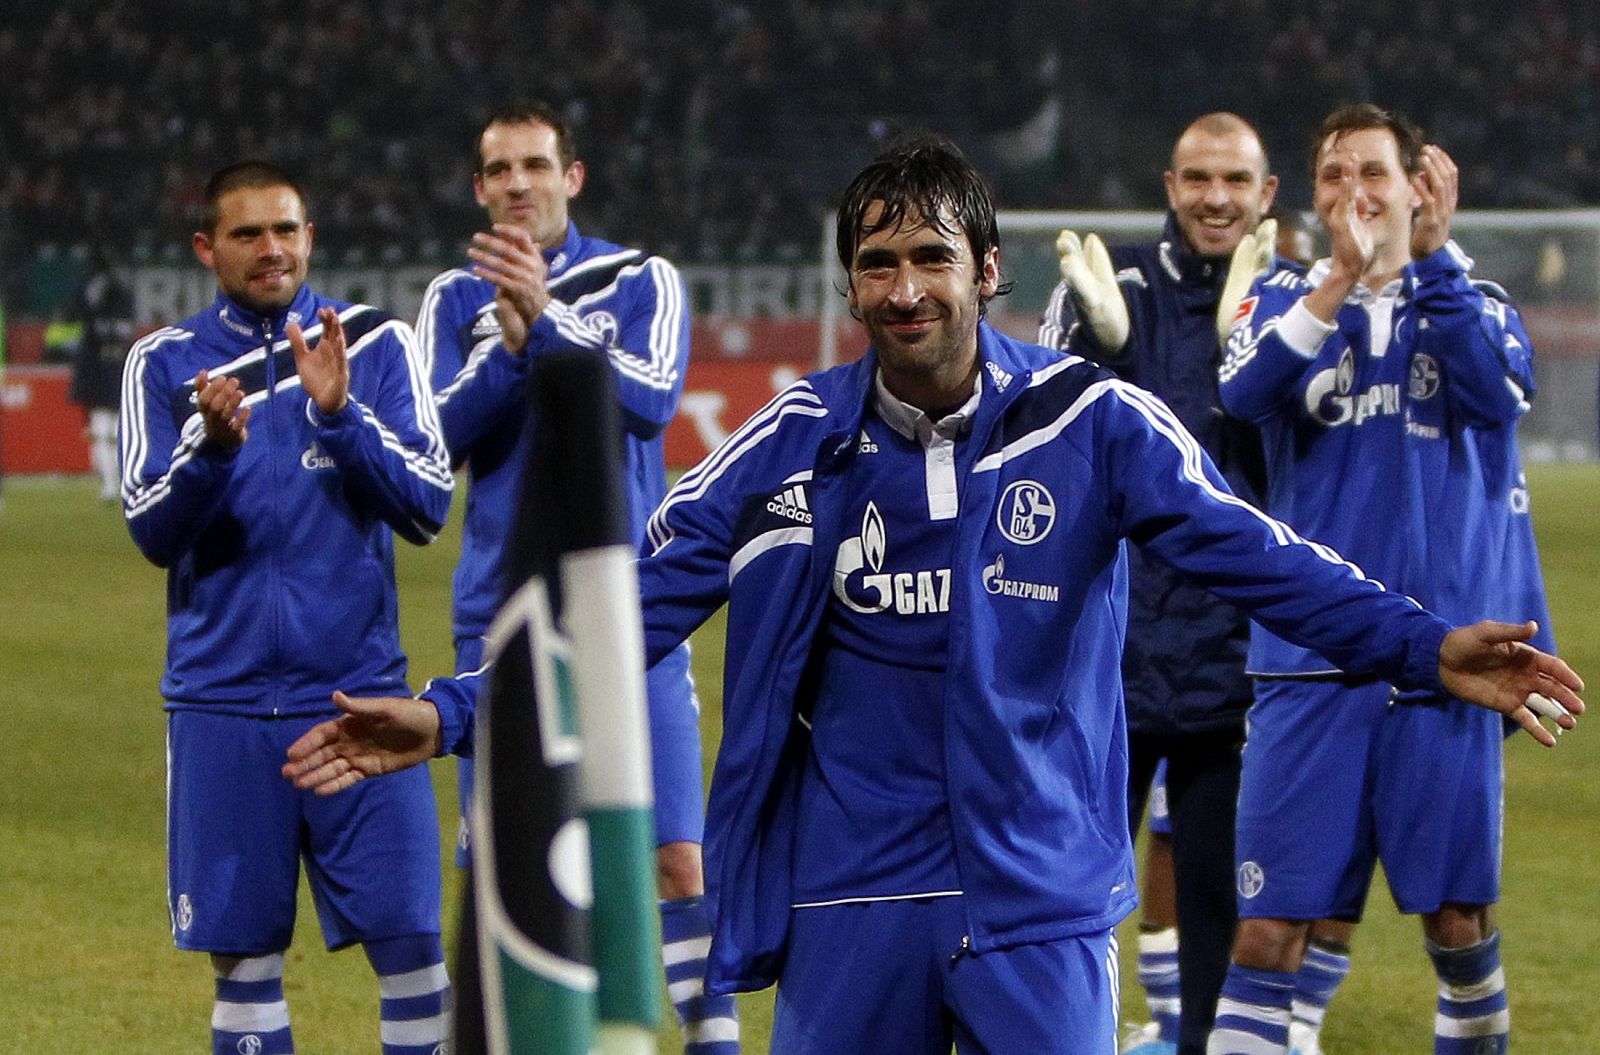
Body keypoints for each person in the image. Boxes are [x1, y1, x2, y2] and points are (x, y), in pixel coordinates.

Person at [282, 137, 1583, 1055]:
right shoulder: (791, 438)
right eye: (878, 262)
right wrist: (452, 715)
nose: (904, 289)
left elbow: (1261, 552)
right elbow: (625, 607)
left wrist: (1422, 648)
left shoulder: (1092, 421)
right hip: (853, 896)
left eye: (930, 257)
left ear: (988, 267)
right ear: (849, 280)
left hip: (1041, 899)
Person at [1210, 105, 1556, 1055]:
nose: (1351, 190)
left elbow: (1497, 391)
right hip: (1306, 667)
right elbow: (1241, 395)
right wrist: (1336, 282)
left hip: (1443, 668)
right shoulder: (1277, 296)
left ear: (1417, 185)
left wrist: (1432, 262)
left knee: (1455, 925)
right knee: (1268, 930)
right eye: (1331, 174)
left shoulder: (1472, 300)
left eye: (1372, 171)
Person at [413, 102, 735, 1054]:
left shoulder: (642, 279)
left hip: (628, 611)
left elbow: (648, 398)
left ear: (573, 176)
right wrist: (511, 348)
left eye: (536, 166)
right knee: (510, 866)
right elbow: (438, 438)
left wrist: (545, 319)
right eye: (500, 170)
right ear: (479, 189)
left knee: (678, 856)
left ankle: (712, 1043)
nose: (519, 184)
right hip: (502, 621)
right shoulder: (450, 302)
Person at [118, 161, 454, 1055]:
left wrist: (341, 418)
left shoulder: (374, 345)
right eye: (247, 233)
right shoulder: (164, 364)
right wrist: (210, 453)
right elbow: (152, 529)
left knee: (415, 950)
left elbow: (427, 504)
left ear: (310, 237)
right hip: (222, 708)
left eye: (287, 230)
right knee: (245, 964)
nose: (272, 249)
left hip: (357, 702)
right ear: (206, 248)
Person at [1039, 112, 1280, 1055]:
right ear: (1169, 186)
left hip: (1236, 662)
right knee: (1074, 888)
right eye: (1196, 178)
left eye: (1235, 181)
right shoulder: (1115, 281)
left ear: (1266, 194)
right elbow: (1046, 423)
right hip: (1116, 656)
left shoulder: (1288, 299)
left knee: (1221, 898)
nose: (1215, 197)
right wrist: (1098, 344)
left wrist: (1268, 346)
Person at [69, 248, 137, 501]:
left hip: (99, 370)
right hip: (118, 368)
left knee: (103, 428)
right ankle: (119, 483)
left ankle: (111, 485)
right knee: (117, 429)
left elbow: (79, 311)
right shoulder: (123, 296)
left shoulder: (92, 292)